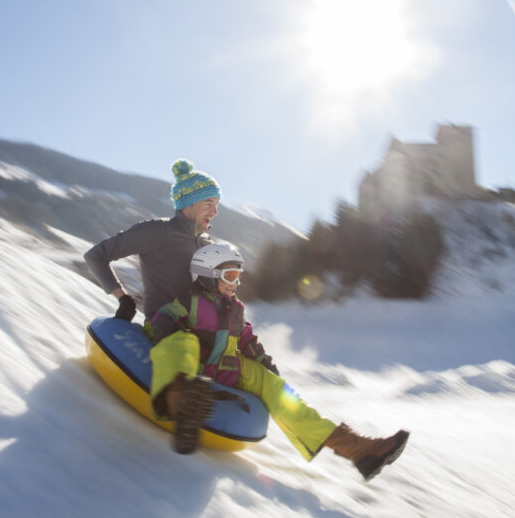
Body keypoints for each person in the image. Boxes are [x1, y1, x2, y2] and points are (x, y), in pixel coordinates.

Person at [148, 241, 409, 482]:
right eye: (229, 276)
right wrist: (165, 330)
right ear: (207, 275)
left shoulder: (236, 309)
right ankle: (181, 400)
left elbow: (247, 340)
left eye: (238, 277)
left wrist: (267, 366)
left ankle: (359, 450)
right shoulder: (189, 301)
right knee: (183, 342)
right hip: (192, 366)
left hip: (227, 370)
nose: (235, 283)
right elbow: (163, 319)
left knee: (279, 391)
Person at [84, 159, 221, 324]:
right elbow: (96, 255)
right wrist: (123, 298)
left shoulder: (207, 243)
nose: (215, 212)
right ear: (188, 204)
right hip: (166, 331)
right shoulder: (158, 231)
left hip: (205, 332)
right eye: (208, 203)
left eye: (217, 204)